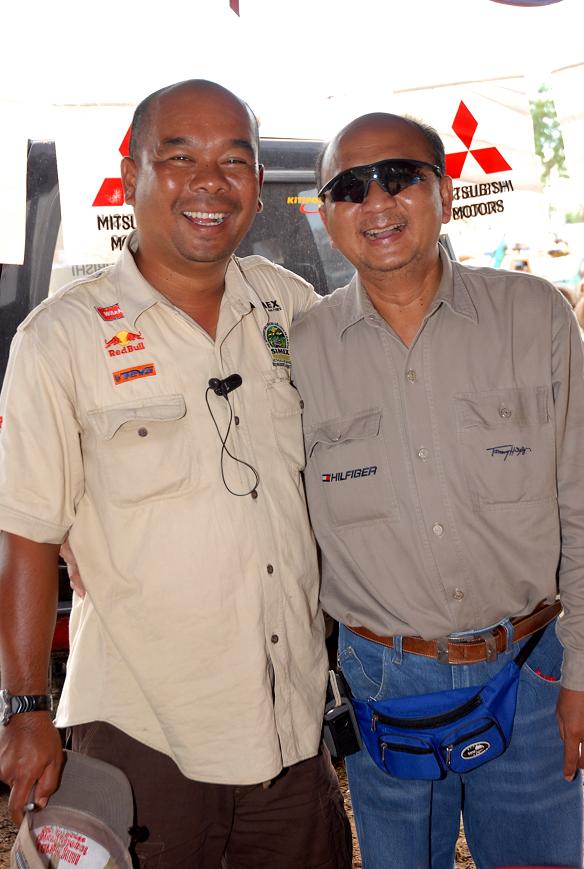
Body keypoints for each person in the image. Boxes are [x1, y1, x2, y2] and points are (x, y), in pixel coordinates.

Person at [0, 79, 352, 869]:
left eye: (235, 160)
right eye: (181, 157)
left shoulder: (291, 307)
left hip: (291, 723)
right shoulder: (59, 339)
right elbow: (26, 533)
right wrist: (24, 708)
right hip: (144, 731)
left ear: (258, 183)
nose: (210, 182)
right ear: (131, 174)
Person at [291, 111, 584, 869]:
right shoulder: (299, 350)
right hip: (384, 682)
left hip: (533, 668)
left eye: (400, 177)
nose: (376, 201)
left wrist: (582, 673)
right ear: (327, 213)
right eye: (350, 187)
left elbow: (582, 506)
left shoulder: (535, 316)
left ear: (445, 193)